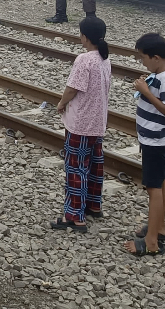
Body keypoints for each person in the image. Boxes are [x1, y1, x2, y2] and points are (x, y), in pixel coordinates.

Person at [52, 16, 111, 233]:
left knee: (76, 167)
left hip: (80, 123)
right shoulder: (105, 59)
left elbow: (72, 88)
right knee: (94, 165)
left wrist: (61, 103)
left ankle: (75, 216)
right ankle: (93, 205)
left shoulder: (84, 60)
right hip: (97, 122)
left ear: (85, 37)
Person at [126, 33, 165, 256]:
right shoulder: (158, 75)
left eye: (143, 57)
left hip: (156, 140)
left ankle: (151, 242)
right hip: (156, 139)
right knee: (160, 181)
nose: (142, 61)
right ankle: (160, 227)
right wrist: (147, 85)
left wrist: (147, 92)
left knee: (153, 188)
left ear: (156, 57)